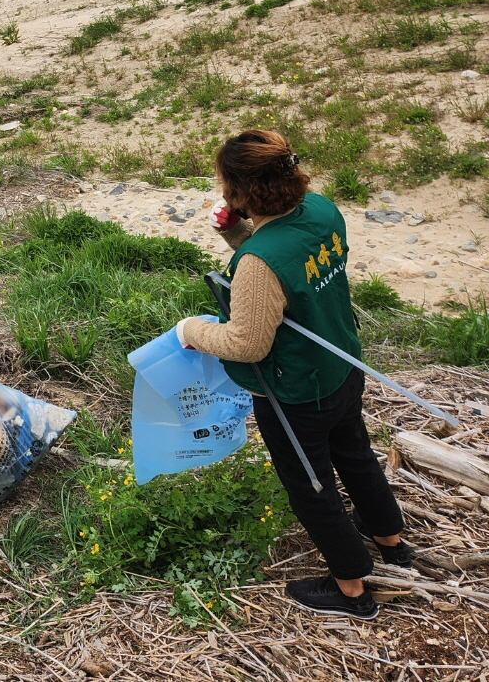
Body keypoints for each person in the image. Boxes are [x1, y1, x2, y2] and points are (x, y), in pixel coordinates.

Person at [176, 129, 412, 621]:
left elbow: (247, 342)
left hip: (298, 391)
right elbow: (297, 271)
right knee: (355, 452)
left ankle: (351, 588)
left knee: (312, 485)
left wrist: (193, 330)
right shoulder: (323, 210)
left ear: (239, 190)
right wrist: (239, 235)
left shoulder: (258, 263)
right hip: (344, 365)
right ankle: (390, 537)